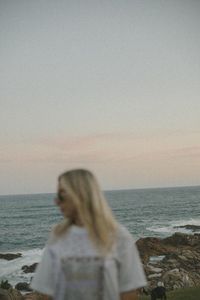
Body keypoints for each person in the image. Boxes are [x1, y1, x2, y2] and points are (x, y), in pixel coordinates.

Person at [30, 169, 146, 300]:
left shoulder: (118, 236)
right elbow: (48, 292)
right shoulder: (58, 236)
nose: (56, 201)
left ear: (80, 194)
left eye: (62, 195)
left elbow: (129, 292)